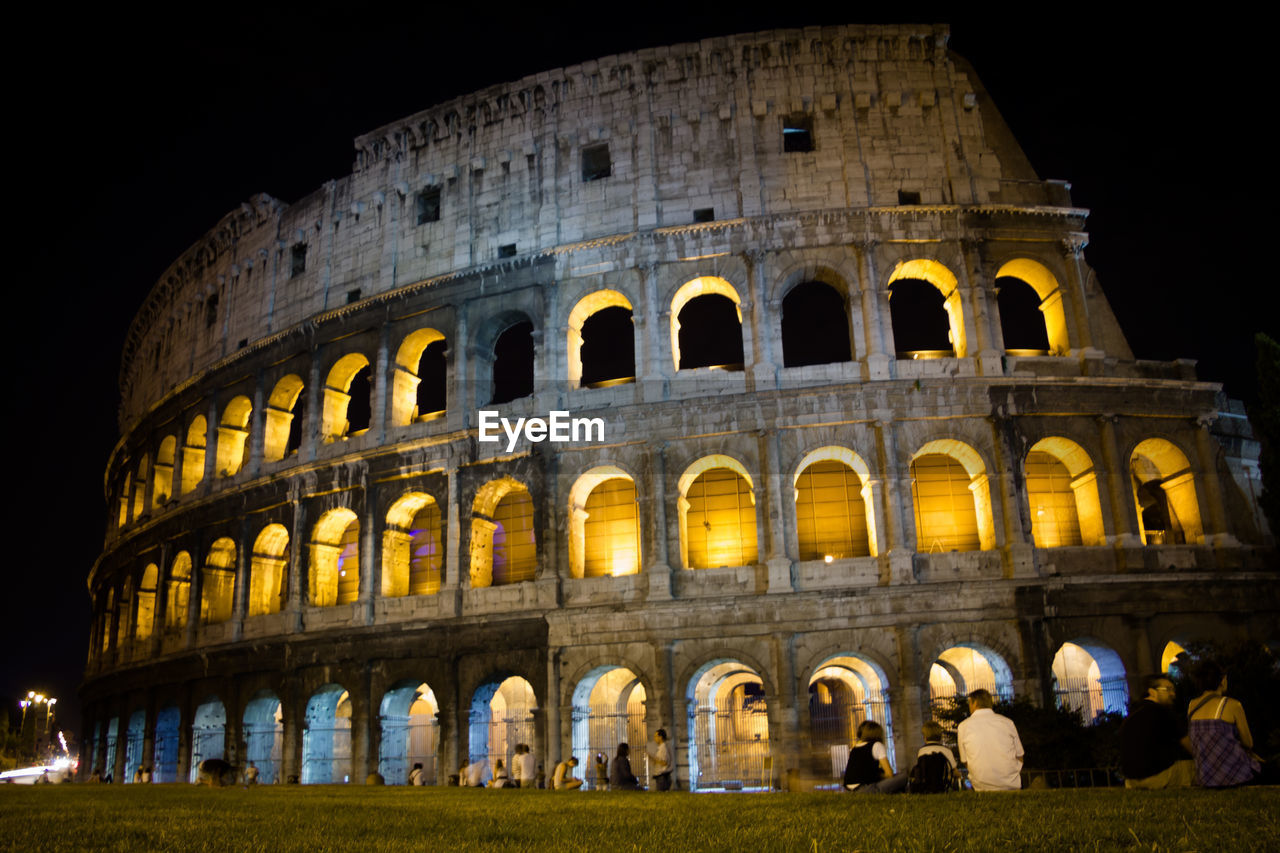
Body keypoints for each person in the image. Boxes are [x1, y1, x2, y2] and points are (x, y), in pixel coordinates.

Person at [1186, 660, 1261, 788]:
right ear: (1223, 680)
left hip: (1206, 777)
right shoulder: (1232, 705)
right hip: (1235, 775)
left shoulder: (1192, 705)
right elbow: (1248, 743)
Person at [1119, 674, 1194, 789]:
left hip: (1131, 781)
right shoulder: (1163, 712)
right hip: (1157, 777)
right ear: (1152, 692)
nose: (1173, 694)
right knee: (1193, 766)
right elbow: (1188, 744)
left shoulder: (1132, 715)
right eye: (1168, 689)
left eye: (1173, 690)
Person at [956, 689, 1023, 791]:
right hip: (1011, 783)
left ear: (974, 703)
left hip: (981, 785)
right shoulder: (1007, 723)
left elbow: (965, 761)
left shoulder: (963, 727)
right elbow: (1019, 755)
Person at [842, 720, 907, 793]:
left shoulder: (855, 748)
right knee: (903, 777)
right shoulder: (877, 745)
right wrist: (881, 776)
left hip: (848, 789)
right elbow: (889, 774)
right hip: (867, 788)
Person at [909, 721, 956, 793]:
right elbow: (954, 771)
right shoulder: (947, 750)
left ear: (925, 737)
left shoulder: (921, 751)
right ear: (940, 736)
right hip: (943, 784)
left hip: (926, 785)